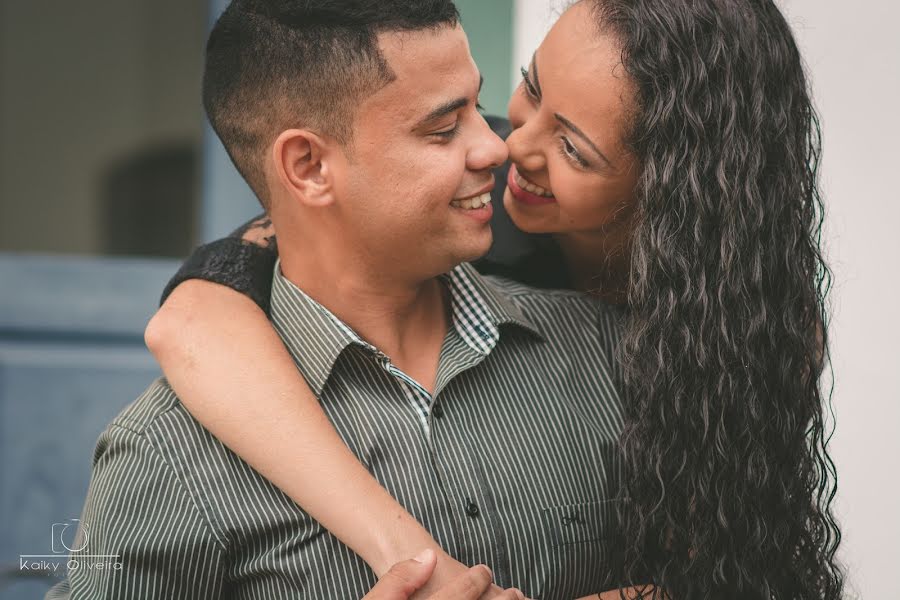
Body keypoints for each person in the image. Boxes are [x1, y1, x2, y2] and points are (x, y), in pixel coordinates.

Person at [148, 0, 846, 598]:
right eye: (529, 90)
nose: (510, 148)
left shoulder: (744, 330)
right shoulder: (461, 217)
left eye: (573, 150)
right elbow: (190, 324)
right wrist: (412, 558)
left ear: (675, 191)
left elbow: (733, 576)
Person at [47, 1, 637, 599]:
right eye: (442, 128)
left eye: (477, 108)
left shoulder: (611, 355)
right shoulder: (166, 456)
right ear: (308, 166)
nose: (497, 148)